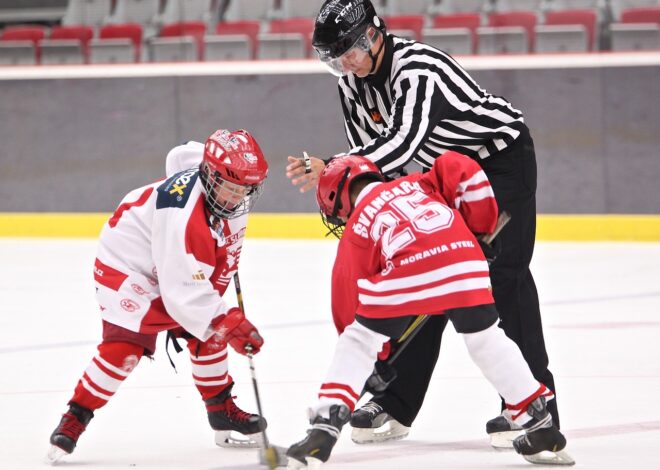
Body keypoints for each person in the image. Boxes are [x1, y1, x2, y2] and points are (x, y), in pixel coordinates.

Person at [286, 0, 558, 447]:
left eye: (349, 50)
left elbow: (402, 141)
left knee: (502, 278)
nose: (345, 64)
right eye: (334, 57)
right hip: (443, 177)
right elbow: (373, 160)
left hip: (500, 165)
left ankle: (535, 404)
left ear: (375, 35)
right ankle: (396, 402)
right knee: (425, 274)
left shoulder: (418, 68)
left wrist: (333, 166)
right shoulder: (351, 83)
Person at [286, 154, 573, 468]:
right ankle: (540, 424)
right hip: (465, 259)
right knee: (487, 340)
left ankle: (324, 426)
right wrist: (480, 226)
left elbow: (346, 300)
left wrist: (377, 360)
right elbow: (459, 166)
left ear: (337, 200)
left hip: (409, 269)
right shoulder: (415, 183)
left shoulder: (357, 227)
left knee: (357, 340)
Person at [47, 129, 269, 463]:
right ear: (209, 175)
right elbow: (183, 291)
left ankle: (220, 408)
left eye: (244, 190)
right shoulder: (181, 215)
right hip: (127, 264)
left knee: (208, 330)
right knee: (126, 349)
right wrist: (229, 321)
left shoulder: (216, 181)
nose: (236, 197)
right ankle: (75, 417)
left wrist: (219, 318)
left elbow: (180, 155)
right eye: (230, 187)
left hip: (167, 257)